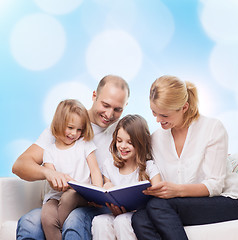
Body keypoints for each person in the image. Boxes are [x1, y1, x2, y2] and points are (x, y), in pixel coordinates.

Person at [131, 75, 238, 240]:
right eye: (154, 113)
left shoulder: (212, 128)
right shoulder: (157, 138)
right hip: (177, 205)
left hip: (226, 201)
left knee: (158, 206)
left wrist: (176, 190)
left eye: (164, 115)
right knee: (139, 218)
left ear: (184, 107)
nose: (158, 120)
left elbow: (215, 185)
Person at [12, 75, 130, 240]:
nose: (109, 114)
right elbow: (20, 165)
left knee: (74, 219)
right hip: (58, 202)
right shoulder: (64, 126)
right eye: (105, 105)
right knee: (30, 222)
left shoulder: (122, 134)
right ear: (94, 96)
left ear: (125, 107)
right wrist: (48, 173)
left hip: (93, 206)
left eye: (118, 109)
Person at [91, 114, 161, 240]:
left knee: (122, 221)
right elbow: (107, 194)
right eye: (119, 141)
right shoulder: (109, 165)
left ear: (140, 143)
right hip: (116, 213)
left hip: (139, 215)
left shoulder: (149, 167)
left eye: (129, 142)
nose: (122, 146)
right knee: (99, 221)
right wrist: (107, 187)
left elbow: (159, 198)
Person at [41, 99, 103, 240]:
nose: (74, 133)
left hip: (81, 195)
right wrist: (62, 181)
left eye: (79, 129)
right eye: (70, 127)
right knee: (46, 217)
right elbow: (52, 178)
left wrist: (97, 193)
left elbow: (95, 170)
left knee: (70, 196)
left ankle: (64, 227)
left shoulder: (84, 144)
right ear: (58, 123)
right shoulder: (49, 151)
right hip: (56, 196)